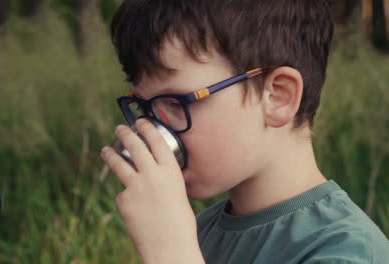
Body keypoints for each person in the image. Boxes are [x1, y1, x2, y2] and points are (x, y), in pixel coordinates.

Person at [100, 0, 389, 263]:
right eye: (143, 107)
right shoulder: (196, 230)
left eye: (175, 103)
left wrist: (171, 252)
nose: (153, 130)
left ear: (277, 97)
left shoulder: (345, 251)